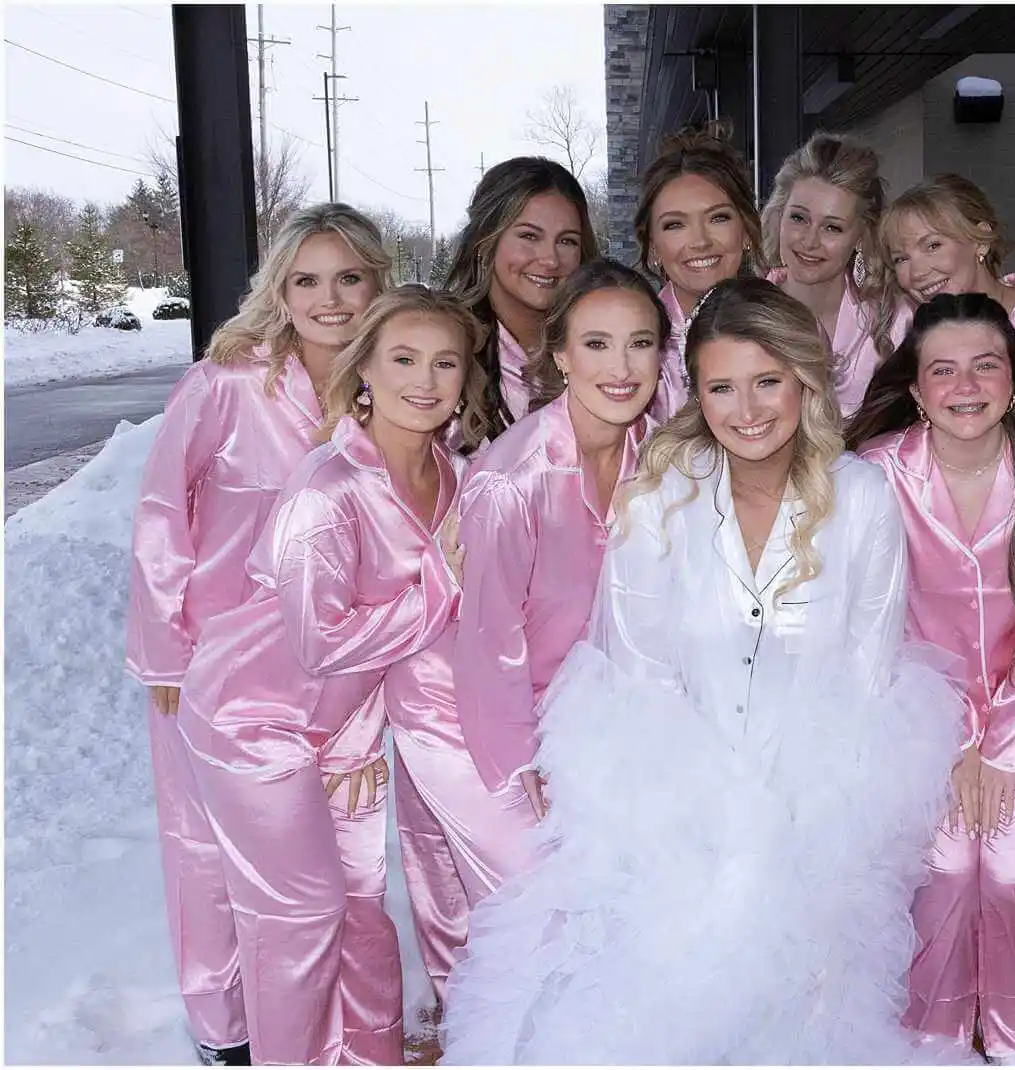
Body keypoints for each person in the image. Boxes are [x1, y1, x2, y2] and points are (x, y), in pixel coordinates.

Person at [442, 277, 967, 1064]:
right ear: (696, 391)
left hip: (815, 811)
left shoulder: (862, 499)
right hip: (677, 806)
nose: (747, 409)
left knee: (801, 990)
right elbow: (639, 664)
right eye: (722, 386)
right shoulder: (663, 494)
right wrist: (708, 813)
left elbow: (865, 677)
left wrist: (794, 818)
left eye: (767, 382)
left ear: (805, 382)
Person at [176, 285, 489, 1065]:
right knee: (303, 917)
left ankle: (368, 1057)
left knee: (358, 910)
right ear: (364, 374)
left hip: (334, 728)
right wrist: (443, 586)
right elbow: (322, 642)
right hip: (250, 721)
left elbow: (401, 651)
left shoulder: (448, 474)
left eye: (445, 362)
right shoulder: (330, 488)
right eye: (404, 360)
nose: (425, 380)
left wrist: (353, 742)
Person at [124, 203, 392, 1066]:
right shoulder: (228, 383)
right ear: (279, 287)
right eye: (306, 279)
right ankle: (223, 1031)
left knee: (338, 872)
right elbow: (164, 513)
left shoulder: (392, 384)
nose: (329, 298)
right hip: (218, 671)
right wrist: (164, 651)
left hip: (337, 675)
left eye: (348, 277)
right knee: (206, 856)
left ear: (376, 283)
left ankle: (338, 1035)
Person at [386, 259, 668, 1011]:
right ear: (562, 356)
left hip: (568, 706)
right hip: (464, 709)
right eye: (598, 343)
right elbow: (488, 643)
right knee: (540, 899)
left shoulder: (659, 458)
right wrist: (522, 767)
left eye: (640, 343)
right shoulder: (515, 480)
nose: (621, 366)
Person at [847, 293, 1015, 1065]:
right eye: (943, 370)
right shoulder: (876, 476)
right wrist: (956, 741)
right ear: (918, 389)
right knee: (951, 865)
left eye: (986, 365)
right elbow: (874, 627)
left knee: (1011, 868)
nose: (965, 386)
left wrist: (1002, 746)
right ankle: (937, 1039)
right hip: (922, 714)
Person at [880, 174, 1015, 414]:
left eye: (933, 246)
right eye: (901, 259)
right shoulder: (903, 331)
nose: (917, 273)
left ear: (980, 241)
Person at [442, 156, 599, 436]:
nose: (550, 259)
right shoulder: (446, 345)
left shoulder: (600, 341)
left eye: (567, 241)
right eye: (529, 236)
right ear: (485, 241)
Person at [761, 130, 910, 416]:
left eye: (832, 227)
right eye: (798, 218)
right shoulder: (741, 315)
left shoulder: (896, 322)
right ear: (779, 216)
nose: (809, 241)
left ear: (861, 237)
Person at [634, 120, 765, 420]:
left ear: (745, 230)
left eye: (718, 218)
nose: (700, 242)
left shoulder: (786, 327)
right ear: (652, 244)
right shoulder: (635, 344)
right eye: (675, 225)